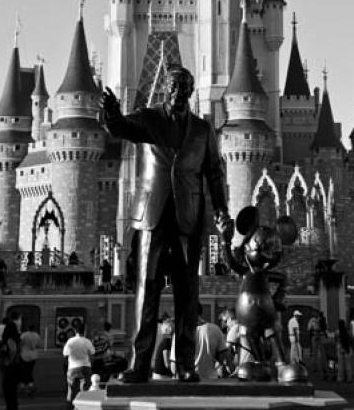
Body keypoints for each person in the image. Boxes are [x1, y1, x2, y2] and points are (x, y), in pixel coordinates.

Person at [102, 65, 232, 384]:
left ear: (190, 92)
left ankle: (185, 364)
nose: (178, 94)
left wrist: (221, 211)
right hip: (153, 216)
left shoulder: (203, 131)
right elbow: (120, 129)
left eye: (184, 89)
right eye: (173, 89)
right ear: (165, 89)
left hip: (188, 217)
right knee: (147, 291)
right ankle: (140, 364)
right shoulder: (148, 120)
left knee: (188, 295)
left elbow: (214, 173)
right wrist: (111, 113)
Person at [62, 321, 95, 408]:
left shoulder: (70, 341)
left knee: (71, 391)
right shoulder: (87, 341)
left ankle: (70, 407)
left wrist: (67, 368)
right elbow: (92, 354)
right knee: (85, 390)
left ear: (75, 331)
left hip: (72, 368)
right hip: (85, 367)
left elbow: (65, 355)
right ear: (84, 331)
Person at [0, 316, 21, 410]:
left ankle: (11, 407)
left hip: (10, 368)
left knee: (8, 390)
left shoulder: (9, 340)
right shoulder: (16, 339)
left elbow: (13, 350)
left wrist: (8, 361)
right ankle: (12, 406)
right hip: (15, 367)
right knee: (12, 390)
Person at [19, 323, 41, 394]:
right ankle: (29, 385)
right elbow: (38, 345)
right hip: (33, 355)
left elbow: (20, 343)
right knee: (29, 370)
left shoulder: (24, 335)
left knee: (24, 370)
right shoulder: (36, 335)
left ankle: (24, 385)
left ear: (27, 328)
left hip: (24, 355)